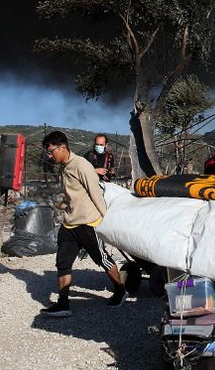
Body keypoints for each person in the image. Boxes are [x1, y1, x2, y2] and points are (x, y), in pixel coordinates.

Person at [40, 131, 127, 317]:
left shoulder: (82, 165)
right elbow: (73, 193)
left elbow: (96, 193)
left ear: (62, 147)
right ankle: (63, 304)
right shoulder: (63, 167)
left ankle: (120, 290)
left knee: (102, 259)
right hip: (70, 223)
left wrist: (107, 220)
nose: (50, 155)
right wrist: (64, 204)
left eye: (51, 151)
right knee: (63, 263)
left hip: (89, 221)